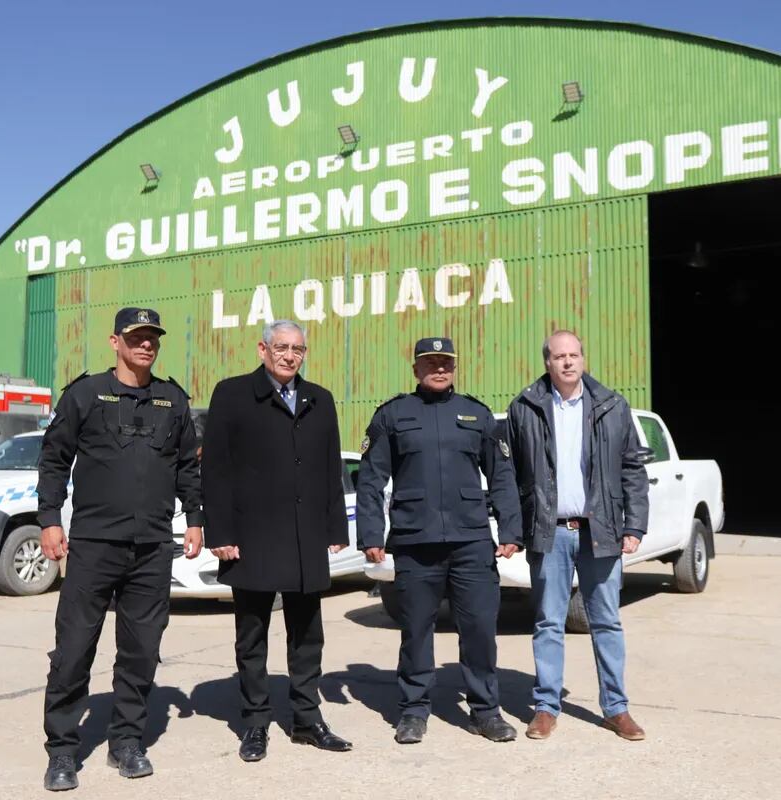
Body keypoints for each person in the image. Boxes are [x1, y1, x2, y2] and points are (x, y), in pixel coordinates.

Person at [36, 307, 203, 792]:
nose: (146, 345)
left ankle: (127, 742)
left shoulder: (172, 401)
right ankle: (62, 751)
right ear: (115, 342)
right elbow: (54, 460)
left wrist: (194, 519)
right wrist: (49, 519)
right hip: (93, 545)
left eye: (153, 337)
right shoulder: (85, 394)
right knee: (72, 650)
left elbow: (188, 467)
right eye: (136, 337)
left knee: (141, 651)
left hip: (152, 546)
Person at [356, 337, 521, 744]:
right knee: (415, 629)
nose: (439, 368)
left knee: (480, 628)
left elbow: (501, 475)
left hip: (471, 541)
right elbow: (371, 479)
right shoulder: (392, 415)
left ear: (455, 366)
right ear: (416, 369)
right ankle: (413, 710)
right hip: (415, 542)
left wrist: (511, 529)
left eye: (445, 362)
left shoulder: (477, 415)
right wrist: (371, 534)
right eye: (430, 363)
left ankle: (485, 710)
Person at [202, 320, 352, 762]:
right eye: (281, 347)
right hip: (251, 535)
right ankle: (255, 723)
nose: (289, 355)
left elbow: (329, 468)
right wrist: (222, 532)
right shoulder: (232, 393)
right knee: (252, 634)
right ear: (262, 349)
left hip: (305, 535)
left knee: (307, 634)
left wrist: (335, 528)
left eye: (297, 349)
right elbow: (216, 470)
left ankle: (307, 719)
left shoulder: (319, 399)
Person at [503, 330, 649, 742]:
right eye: (558, 356)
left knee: (606, 621)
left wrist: (634, 525)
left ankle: (616, 709)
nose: (567, 362)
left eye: (574, 355)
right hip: (549, 532)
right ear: (546, 362)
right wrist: (514, 529)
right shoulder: (525, 407)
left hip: (600, 531)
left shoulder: (611, 405)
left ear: (583, 359)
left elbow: (632, 469)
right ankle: (546, 708)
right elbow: (510, 477)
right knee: (549, 621)